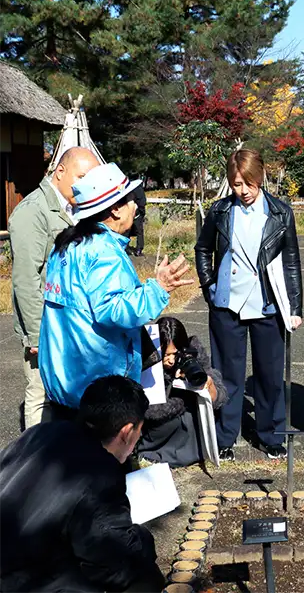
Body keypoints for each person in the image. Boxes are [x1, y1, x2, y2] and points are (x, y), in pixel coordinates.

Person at [38, 163, 193, 417]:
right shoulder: (103, 251)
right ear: (115, 209)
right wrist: (158, 289)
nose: (136, 206)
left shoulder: (66, 245)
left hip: (63, 380)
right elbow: (113, 310)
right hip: (98, 387)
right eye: (131, 200)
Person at [0, 375, 165, 593]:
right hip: (21, 581)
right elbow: (113, 564)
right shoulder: (100, 475)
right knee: (143, 576)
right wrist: (142, 539)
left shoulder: (40, 432)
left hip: (14, 555)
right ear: (126, 432)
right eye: (139, 430)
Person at [195, 148, 303, 462]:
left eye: (249, 183)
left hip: (268, 303)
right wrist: (210, 286)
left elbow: (292, 261)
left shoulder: (280, 212)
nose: (243, 191)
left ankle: (271, 435)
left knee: (270, 374)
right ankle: (225, 436)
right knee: (227, 374)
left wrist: (295, 308)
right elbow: (203, 249)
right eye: (236, 184)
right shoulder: (220, 210)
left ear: (260, 177)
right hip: (227, 305)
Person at [9, 147, 100, 429]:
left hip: (74, 321)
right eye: (81, 177)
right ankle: (36, 454)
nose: (86, 186)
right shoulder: (32, 211)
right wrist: (36, 335)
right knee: (42, 395)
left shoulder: (77, 208)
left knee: (73, 394)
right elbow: (26, 279)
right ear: (60, 171)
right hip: (46, 325)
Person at [138, 316, 228, 467]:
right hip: (159, 426)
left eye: (175, 353)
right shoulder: (147, 359)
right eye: (166, 355)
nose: (171, 360)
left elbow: (220, 398)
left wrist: (209, 386)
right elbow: (151, 412)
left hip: (189, 425)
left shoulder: (193, 353)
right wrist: (180, 393)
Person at [127, 182, 147, 257]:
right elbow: (142, 202)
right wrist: (141, 213)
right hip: (137, 214)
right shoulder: (139, 189)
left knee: (127, 230)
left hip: (128, 212)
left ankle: (125, 247)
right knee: (139, 232)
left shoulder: (127, 188)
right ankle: (139, 250)